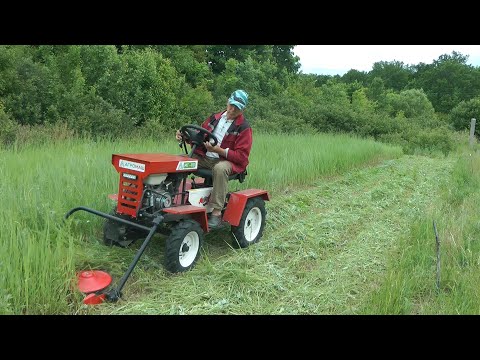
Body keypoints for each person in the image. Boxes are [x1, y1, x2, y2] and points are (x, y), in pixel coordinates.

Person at [175, 89, 252, 228]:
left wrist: (219, 150)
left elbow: (241, 157)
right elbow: (199, 137)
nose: (232, 109)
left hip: (226, 162)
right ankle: (173, 197)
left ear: (243, 109)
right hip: (205, 157)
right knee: (179, 161)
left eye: (237, 108)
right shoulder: (215, 118)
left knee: (220, 169)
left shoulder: (244, 128)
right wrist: (184, 136)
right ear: (228, 101)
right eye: (232, 105)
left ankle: (216, 212)